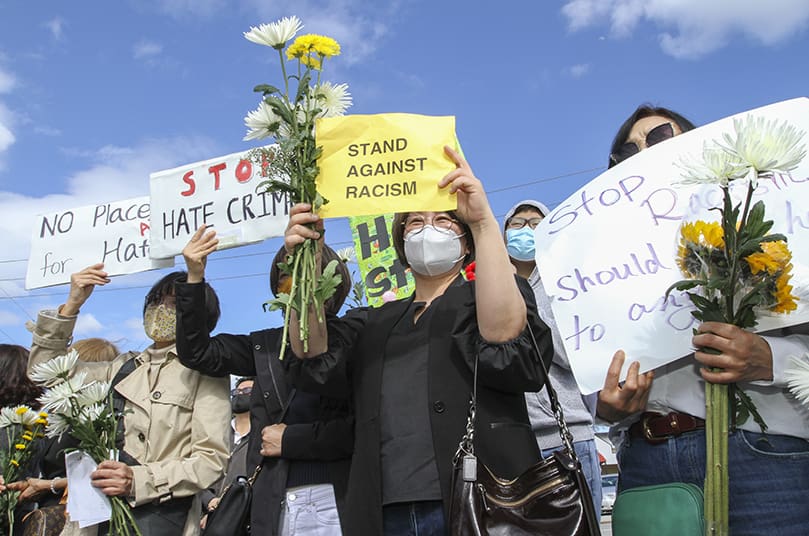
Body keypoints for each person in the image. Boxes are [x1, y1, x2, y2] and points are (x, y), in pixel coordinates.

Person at [284, 145, 553, 535]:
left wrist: (482, 222)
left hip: (482, 504)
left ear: (465, 242)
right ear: (402, 246)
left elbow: (505, 344)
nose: (429, 230)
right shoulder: (371, 321)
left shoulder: (487, 298)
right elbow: (310, 353)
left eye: (445, 221)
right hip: (384, 508)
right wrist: (304, 263)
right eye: (415, 223)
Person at [597, 104, 809, 535]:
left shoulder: (777, 217)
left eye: (658, 136)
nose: (645, 151)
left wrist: (771, 358)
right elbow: (590, 368)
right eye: (628, 150)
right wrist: (608, 408)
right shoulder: (605, 262)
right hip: (651, 464)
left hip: (762, 451)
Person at [27, 266, 231, 536]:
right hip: (92, 519)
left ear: (198, 314)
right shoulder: (123, 367)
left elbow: (211, 461)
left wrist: (139, 480)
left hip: (159, 518)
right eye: (155, 300)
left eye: (173, 303)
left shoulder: (207, 371)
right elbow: (47, 373)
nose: (160, 309)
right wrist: (73, 304)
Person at [176, 229, 354, 536]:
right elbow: (198, 352)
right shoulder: (266, 345)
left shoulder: (355, 337)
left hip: (336, 497)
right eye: (290, 276)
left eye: (309, 274)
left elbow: (364, 427)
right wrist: (194, 276)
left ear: (333, 284)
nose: (299, 285)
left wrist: (293, 440)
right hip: (272, 500)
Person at [502, 199, 602, 518]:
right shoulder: (489, 289)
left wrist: (525, 309)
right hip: (509, 445)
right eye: (517, 225)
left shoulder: (572, 287)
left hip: (568, 438)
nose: (526, 230)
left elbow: (575, 354)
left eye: (536, 224)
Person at [198, 377, 254, 530]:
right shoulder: (215, 433)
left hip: (238, 521)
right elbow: (195, 468)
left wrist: (223, 506)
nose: (240, 394)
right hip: (200, 516)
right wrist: (209, 501)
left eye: (247, 391)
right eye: (237, 391)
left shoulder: (260, 440)